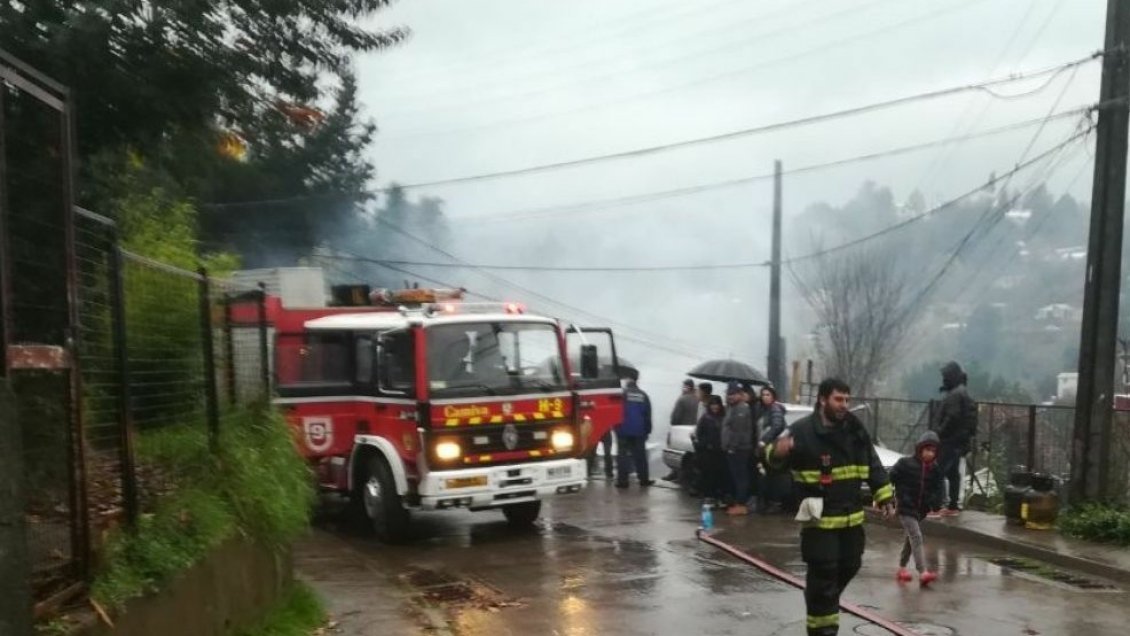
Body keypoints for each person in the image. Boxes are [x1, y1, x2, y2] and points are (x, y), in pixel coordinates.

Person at [765, 378, 895, 636]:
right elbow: (769, 460)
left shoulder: (855, 429)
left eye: (847, 400)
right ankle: (822, 630)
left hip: (851, 518)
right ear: (822, 400)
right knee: (824, 573)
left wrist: (884, 494)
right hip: (819, 521)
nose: (844, 405)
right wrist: (777, 452)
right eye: (838, 399)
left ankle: (821, 598)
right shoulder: (801, 431)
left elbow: (872, 462)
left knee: (850, 564)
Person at [889, 431, 943, 586]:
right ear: (920, 449)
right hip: (905, 508)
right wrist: (890, 498)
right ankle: (922, 572)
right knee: (916, 536)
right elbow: (890, 477)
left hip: (921, 510)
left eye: (933, 451)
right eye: (927, 449)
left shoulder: (935, 470)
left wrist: (935, 503)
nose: (930, 454)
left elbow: (938, 488)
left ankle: (901, 569)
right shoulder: (905, 464)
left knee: (910, 538)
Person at [930, 361, 977, 516]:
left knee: (937, 471)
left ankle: (935, 507)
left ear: (951, 376)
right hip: (958, 441)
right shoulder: (961, 392)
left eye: (945, 376)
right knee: (953, 474)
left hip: (949, 441)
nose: (943, 379)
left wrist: (938, 432)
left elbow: (952, 417)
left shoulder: (955, 395)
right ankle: (952, 506)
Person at [721, 381, 756, 515]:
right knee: (735, 476)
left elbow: (738, 430)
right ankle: (736, 501)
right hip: (732, 448)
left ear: (740, 394)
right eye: (729, 393)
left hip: (739, 449)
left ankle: (741, 503)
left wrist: (732, 447)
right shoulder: (731, 407)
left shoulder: (742, 408)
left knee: (740, 476)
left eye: (734, 394)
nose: (730, 396)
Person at [756, 386, 790, 513]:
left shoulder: (775, 409)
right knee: (768, 476)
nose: (765, 397)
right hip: (766, 448)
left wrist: (764, 440)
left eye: (768, 394)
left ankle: (775, 503)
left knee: (774, 477)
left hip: (773, 448)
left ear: (773, 396)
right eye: (763, 395)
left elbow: (777, 426)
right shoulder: (765, 410)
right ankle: (770, 502)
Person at [615, 376, 653, 489]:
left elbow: (616, 412)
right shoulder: (643, 395)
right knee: (640, 456)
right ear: (636, 382)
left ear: (627, 382)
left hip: (623, 430)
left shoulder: (622, 394)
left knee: (623, 455)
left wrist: (616, 428)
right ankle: (644, 480)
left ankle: (623, 481)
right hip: (639, 431)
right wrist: (648, 430)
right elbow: (647, 415)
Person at [693, 395, 729, 503]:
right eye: (713, 404)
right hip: (708, 451)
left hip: (721, 451)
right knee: (708, 474)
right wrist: (706, 444)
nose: (715, 407)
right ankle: (708, 495)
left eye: (717, 404)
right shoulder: (705, 418)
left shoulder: (724, 417)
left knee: (720, 474)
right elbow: (699, 434)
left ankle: (719, 495)